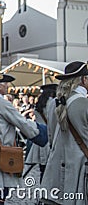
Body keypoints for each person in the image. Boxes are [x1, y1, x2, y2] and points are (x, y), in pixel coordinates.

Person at [0, 72, 48, 204]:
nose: (7, 87)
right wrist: (41, 132)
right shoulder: (0, 102)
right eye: (5, 84)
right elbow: (21, 122)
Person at [40, 61, 88, 205]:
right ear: (84, 80)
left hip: (57, 169)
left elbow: (51, 137)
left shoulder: (55, 103)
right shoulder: (83, 104)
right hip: (79, 171)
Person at [24, 84, 57, 183]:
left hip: (40, 136)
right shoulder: (53, 103)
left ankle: (43, 188)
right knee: (50, 169)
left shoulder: (39, 104)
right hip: (50, 137)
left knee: (42, 168)